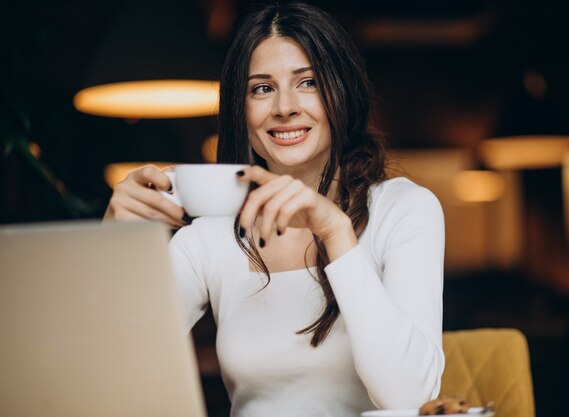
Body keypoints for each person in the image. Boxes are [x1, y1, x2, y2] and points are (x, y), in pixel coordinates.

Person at [104, 1, 445, 415]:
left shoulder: (404, 209)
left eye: (308, 83)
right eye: (261, 88)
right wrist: (113, 244)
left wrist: (336, 232)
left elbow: (412, 399)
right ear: (241, 111)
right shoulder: (212, 235)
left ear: (343, 92)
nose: (284, 107)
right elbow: (111, 370)